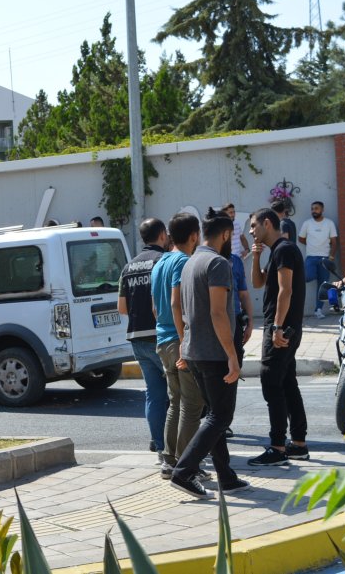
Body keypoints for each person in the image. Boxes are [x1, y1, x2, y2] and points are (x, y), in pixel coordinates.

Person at [169, 211, 248, 498]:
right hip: (213, 353)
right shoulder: (217, 263)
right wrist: (232, 355)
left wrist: (182, 344)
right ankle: (183, 472)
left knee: (215, 414)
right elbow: (218, 312)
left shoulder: (190, 262)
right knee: (220, 416)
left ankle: (225, 475)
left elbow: (177, 305)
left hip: (194, 351)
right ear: (226, 235)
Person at [248, 208, 310, 465]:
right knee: (286, 383)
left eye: (253, 226)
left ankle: (277, 447)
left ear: (266, 223)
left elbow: (285, 291)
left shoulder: (284, 249)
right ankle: (298, 444)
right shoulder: (276, 251)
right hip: (284, 327)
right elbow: (258, 283)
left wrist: (276, 327)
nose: (251, 231)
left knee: (271, 382)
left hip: (281, 329)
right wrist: (255, 258)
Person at [150, 213, 204, 481]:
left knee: (176, 403)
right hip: (178, 341)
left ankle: (169, 460)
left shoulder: (160, 262)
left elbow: (155, 305)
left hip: (162, 340)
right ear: (194, 236)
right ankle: (186, 467)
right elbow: (175, 303)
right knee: (192, 406)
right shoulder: (183, 261)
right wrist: (184, 342)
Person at [118, 218, 169, 461]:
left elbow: (121, 307)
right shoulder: (164, 261)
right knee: (179, 395)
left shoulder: (128, 267)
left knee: (155, 394)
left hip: (137, 337)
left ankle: (160, 448)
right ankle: (176, 450)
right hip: (163, 336)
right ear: (162, 235)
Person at [299, 201, 338, 318]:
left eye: (316, 209)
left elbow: (334, 242)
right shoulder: (307, 224)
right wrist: (311, 244)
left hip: (325, 258)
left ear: (322, 210)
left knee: (322, 286)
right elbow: (301, 239)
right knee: (308, 276)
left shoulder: (329, 223)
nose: (313, 211)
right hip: (311, 257)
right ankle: (316, 273)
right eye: (312, 209)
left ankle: (318, 310)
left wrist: (331, 256)